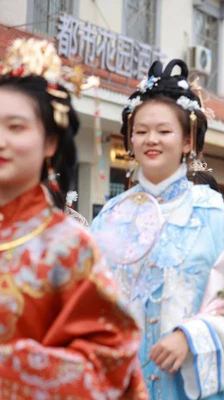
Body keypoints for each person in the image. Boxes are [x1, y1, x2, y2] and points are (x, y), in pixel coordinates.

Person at [91, 59, 224, 399]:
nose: (150, 140)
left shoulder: (215, 215)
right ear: (129, 139)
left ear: (188, 140)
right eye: (140, 131)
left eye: (164, 131)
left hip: (187, 388)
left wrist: (192, 335)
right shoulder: (111, 216)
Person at [0, 38, 146, 398]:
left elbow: (110, 359)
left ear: (50, 142)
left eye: (15, 127)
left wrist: (11, 367)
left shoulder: (68, 245)